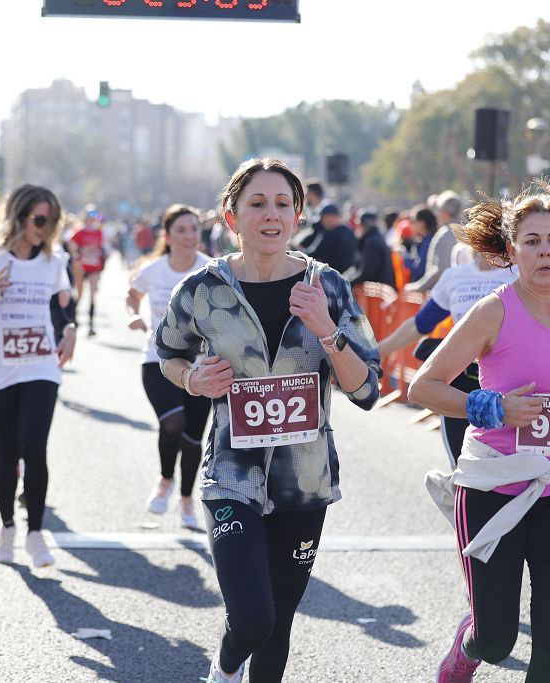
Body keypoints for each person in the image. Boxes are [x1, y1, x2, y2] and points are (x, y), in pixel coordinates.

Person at [156, 158, 381, 683]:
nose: (271, 215)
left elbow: (367, 389)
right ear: (232, 218)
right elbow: (167, 352)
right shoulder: (203, 290)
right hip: (233, 475)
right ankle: (227, 664)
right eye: (257, 204)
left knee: (278, 625)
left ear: (298, 214)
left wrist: (327, 329)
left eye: (282, 204)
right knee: (253, 619)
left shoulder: (327, 288)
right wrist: (193, 380)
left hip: (304, 481)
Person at [410, 180, 550, 682]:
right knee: (496, 639)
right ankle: (465, 650)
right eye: (532, 241)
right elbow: (423, 387)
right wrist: (492, 407)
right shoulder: (494, 310)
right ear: (512, 250)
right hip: (494, 487)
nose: (544, 251)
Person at [0, 184, 77, 569]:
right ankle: (7, 527)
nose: (45, 227)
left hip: (41, 367)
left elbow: (59, 308)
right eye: (40, 219)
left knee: (36, 449)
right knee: (6, 455)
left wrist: (69, 329)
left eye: (51, 221)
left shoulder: (54, 261)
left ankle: (36, 535)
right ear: (20, 216)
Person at [377, 251, 517, 464]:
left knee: (508, 469)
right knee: (460, 465)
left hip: (506, 384)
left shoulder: (518, 273)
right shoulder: (456, 276)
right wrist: (379, 350)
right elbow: (420, 324)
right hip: (460, 383)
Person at [126, 204, 212, 530]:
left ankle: (187, 499)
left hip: (202, 364)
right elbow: (132, 294)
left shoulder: (212, 270)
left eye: (194, 229)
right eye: (182, 230)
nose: (190, 236)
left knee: (193, 437)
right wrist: (134, 314)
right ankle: (165, 480)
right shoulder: (154, 270)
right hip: (157, 359)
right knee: (173, 422)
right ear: (167, 236)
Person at [406, 190, 461, 292]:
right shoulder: (467, 231)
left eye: (438, 211)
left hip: (443, 295)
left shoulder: (444, 234)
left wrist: (416, 288)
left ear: (444, 213)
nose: (437, 215)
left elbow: (439, 271)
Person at [68, 207, 106, 337]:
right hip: (81, 267)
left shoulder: (98, 232)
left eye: (94, 215)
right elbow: (71, 244)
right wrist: (76, 258)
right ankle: (73, 317)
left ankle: (91, 325)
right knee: (80, 293)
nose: (92, 218)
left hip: (94, 267)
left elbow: (101, 248)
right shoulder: (80, 232)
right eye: (90, 215)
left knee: (93, 294)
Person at [299, 203, 358, 275]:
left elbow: (315, 253)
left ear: (331, 217)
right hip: (344, 275)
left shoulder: (332, 234)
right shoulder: (350, 232)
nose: (322, 221)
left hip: (330, 276)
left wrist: (298, 255)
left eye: (323, 217)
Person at [344, 209, 396, 289]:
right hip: (379, 290)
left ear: (362, 224)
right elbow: (357, 266)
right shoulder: (374, 238)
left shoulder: (372, 242)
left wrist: (345, 284)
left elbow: (367, 273)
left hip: (378, 294)